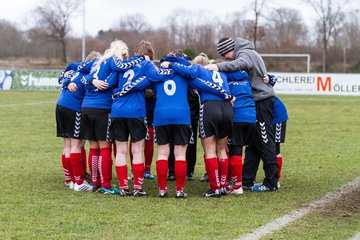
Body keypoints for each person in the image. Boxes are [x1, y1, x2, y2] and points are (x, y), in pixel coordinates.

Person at [206, 37, 279, 192]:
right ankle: (246, 179)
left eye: (226, 55)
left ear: (229, 50)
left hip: (262, 101)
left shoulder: (245, 53)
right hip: (256, 102)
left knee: (266, 141)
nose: (226, 58)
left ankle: (271, 182)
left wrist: (217, 67)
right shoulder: (248, 52)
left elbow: (240, 64)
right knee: (254, 143)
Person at [161, 53, 235, 197]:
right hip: (228, 108)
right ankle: (223, 186)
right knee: (222, 150)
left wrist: (170, 64)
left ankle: (215, 188)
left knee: (210, 151)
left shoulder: (199, 72)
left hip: (210, 107)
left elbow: (190, 72)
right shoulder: (223, 73)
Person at [81, 40, 145, 195]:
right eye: (124, 55)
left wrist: (92, 80)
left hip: (86, 108)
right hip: (102, 108)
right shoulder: (113, 62)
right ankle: (106, 185)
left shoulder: (97, 61)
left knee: (93, 148)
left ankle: (95, 182)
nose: (124, 59)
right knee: (104, 148)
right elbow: (119, 73)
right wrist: (140, 58)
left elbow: (83, 77)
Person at [110, 40, 172, 196]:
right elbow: (157, 77)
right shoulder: (147, 64)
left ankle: (123, 187)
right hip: (136, 112)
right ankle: (137, 188)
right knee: (137, 151)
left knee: (121, 151)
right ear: (149, 54)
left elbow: (110, 84)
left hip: (117, 111)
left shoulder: (122, 64)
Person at [56, 51, 100, 191]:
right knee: (77, 143)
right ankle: (79, 183)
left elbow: (60, 77)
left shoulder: (76, 68)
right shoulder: (89, 75)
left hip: (60, 105)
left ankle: (69, 180)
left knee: (68, 144)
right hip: (73, 108)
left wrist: (66, 80)